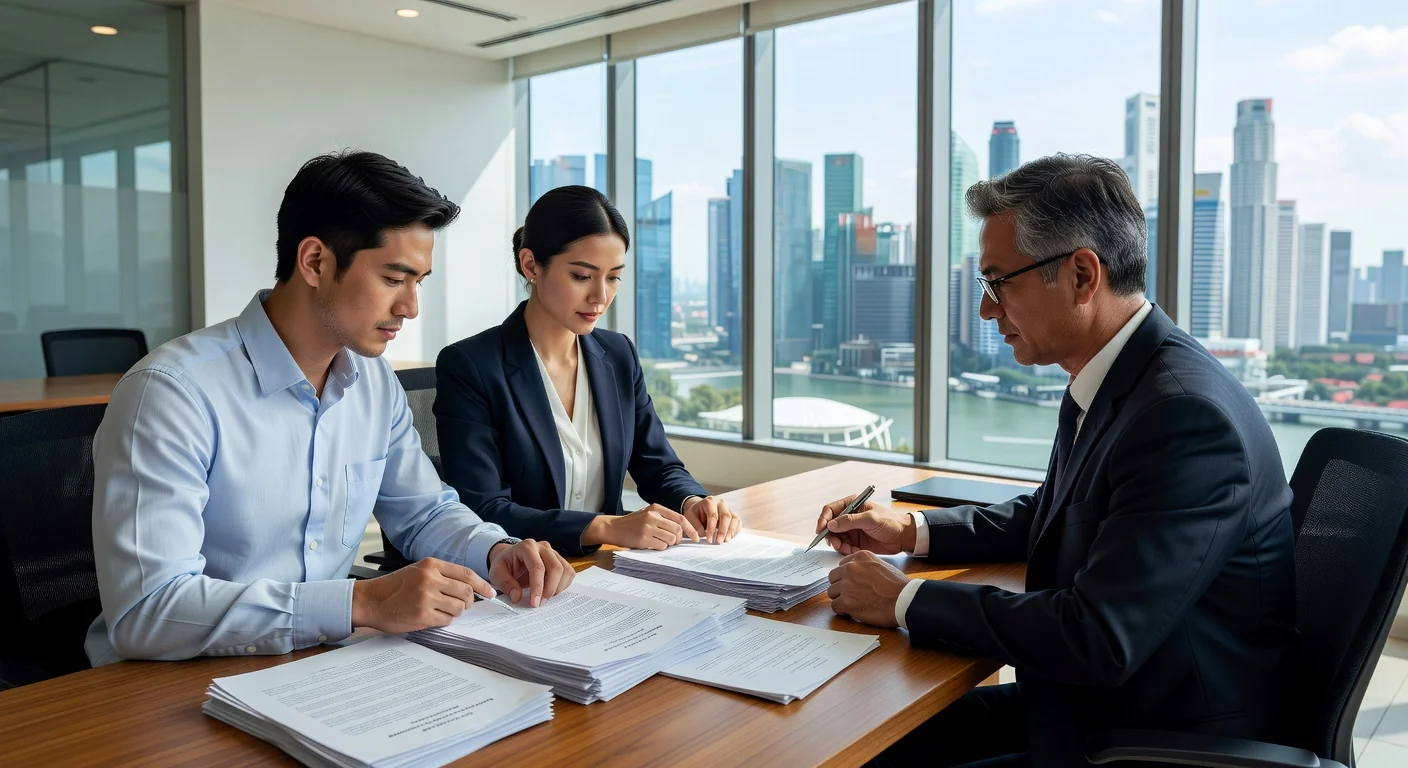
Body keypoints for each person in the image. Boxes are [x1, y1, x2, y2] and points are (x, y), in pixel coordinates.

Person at [817, 154, 1296, 767]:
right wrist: (911, 529)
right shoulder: (1123, 378)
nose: (987, 311)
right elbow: (1056, 512)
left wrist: (904, 600)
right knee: (875, 736)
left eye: (998, 283)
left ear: (1081, 275)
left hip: (1156, 737)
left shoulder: (1183, 417)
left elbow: (1098, 635)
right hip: (1100, 704)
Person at [87, 151, 573, 666]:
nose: (411, 307)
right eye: (393, 279)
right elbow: (149, 610)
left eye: (419, 282)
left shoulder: (373, 382)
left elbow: (424, 511)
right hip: (171, 685)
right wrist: (362, 601)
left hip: (319, 666)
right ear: (315, 261)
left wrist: (497, 552)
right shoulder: (171, 393)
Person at [435, 185, 739, 557]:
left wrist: (692, 500)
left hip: (607, 570)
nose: (600, 296)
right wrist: (606, 526)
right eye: (582, 276)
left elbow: (658, 467)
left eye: (613, 277)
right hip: (521, 577)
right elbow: (482, 510)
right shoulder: (472, 366)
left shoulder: (618, 355)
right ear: (530, 265)